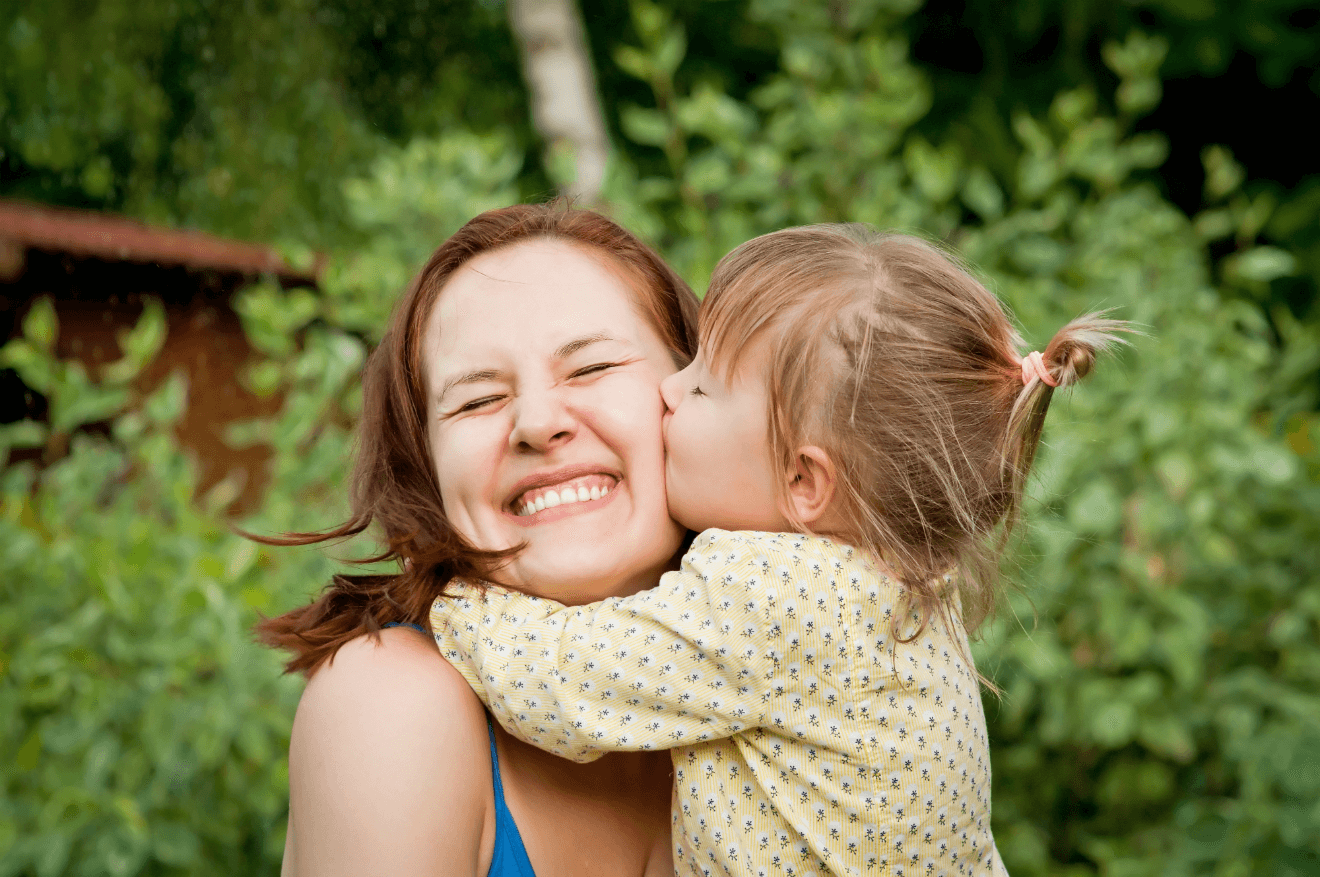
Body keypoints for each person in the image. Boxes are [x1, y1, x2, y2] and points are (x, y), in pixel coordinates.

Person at [431, 225, 1128, 876]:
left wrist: (454, 595)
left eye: (702, 385)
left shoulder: (771, 592)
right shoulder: (908, 585)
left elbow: (558, 684)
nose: (668, 391)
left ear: (803, 479)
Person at [257, 203, 702, 877]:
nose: (538, 421)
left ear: (698, 389)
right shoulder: (390, 702)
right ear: (425, 470)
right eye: (476, 401)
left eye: (590, 368)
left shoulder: (810, 662)